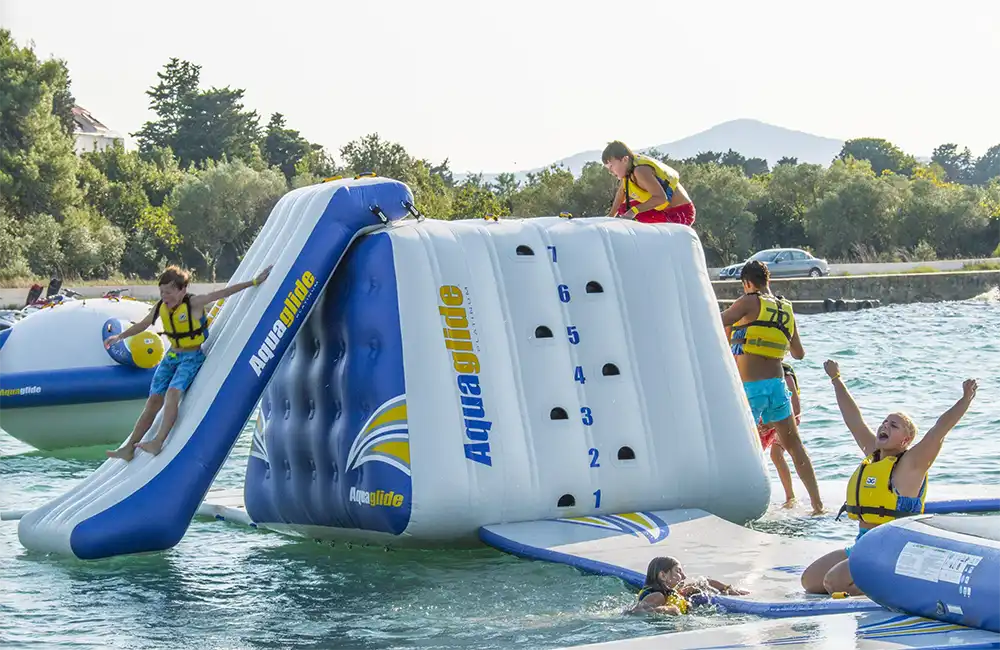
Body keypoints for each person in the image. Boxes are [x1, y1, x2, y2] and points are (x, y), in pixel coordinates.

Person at [801, 360, 978, 596]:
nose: (885, 425)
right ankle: (871, 579)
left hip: (892, 549)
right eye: (884, 422)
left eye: (893, 425)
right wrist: (836, 379)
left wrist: (965, 400)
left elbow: (939, 429)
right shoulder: (873, 455)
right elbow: (853, 419)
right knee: (810, 581)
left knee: (834, 582)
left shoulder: (912, 465)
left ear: (905, 440)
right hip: (863, 544)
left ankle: (896, 583)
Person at [104, 264, 273, 461]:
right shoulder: (161, 306)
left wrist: (254, 282)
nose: (165, 296)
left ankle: (158, 441)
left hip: (191, 357)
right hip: (171, 357)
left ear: (182, 289)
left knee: (173, 394)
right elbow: (143, 324)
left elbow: (224, 292)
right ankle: (129, 447)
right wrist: (119, 337)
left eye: (169, 292)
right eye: (162, 292)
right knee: (153, 400)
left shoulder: (194, 303)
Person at [720, 260, 824, 515]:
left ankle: (735, 503)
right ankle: (817, 504)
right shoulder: (785, 308)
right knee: (794, 445)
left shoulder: (748, 301)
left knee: (740, 446)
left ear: (747, 283)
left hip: (752, 389)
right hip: (778, 387)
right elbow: (798, 353)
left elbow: (713, 321)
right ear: (769, 281)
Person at [601, 141, 696, 226]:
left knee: (629, 212)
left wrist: (634, 211)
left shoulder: (640, 171)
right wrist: (611, 216)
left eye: (611, 167)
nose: (610, 171)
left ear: (625, 160)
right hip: (662, 210)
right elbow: (621, 193)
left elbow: (661, 198)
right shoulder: (628, 172)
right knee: (623, 208)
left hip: (680, 213)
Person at [631, 556, 748, 615]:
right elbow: (638, 611)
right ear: (663, 575)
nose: (684, 576)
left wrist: (727, 589)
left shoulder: (672, 592)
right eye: (678, 571)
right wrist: (670, 609)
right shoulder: (658, 595)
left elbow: (703, 582)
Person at [757, 362, 802, 506]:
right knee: (757, 452)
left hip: (787, 419)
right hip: (767, 419)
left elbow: (795, 408)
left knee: (776, 454)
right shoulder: (760, 373)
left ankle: (790, 497)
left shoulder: (786, 374)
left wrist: (771, 425)